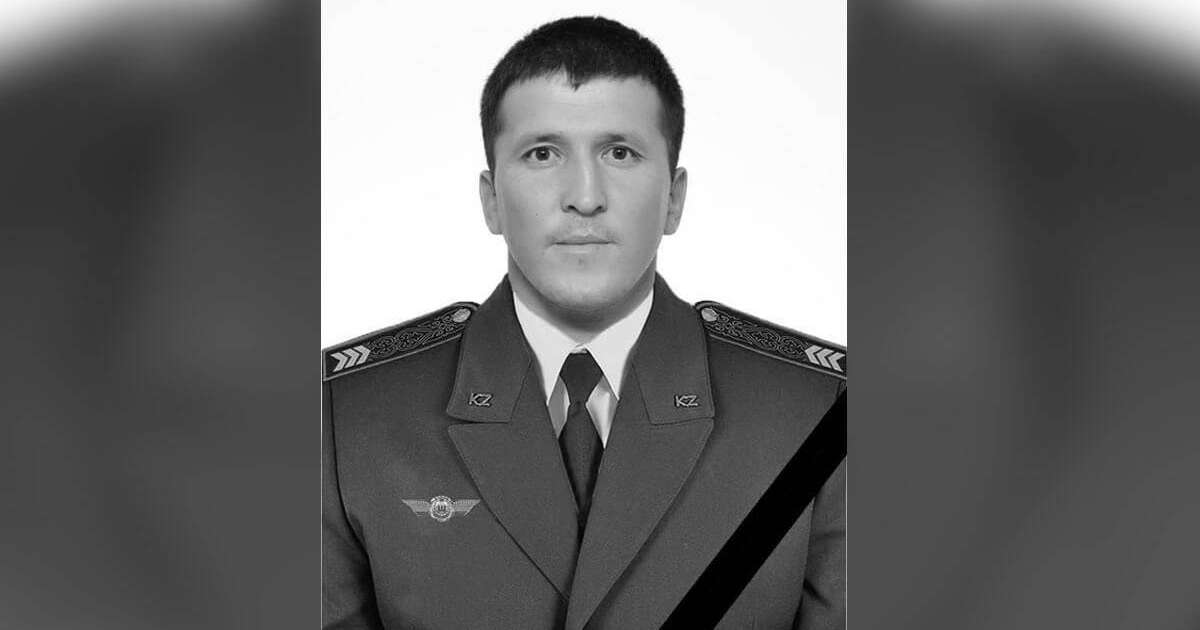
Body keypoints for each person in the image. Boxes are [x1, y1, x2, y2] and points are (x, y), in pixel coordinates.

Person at [323, 16, 845, 629]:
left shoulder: (815, 412)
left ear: (674, 198)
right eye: (543, 154)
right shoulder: (348, 416)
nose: (585, 196)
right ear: (491, 200)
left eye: (620, 153)